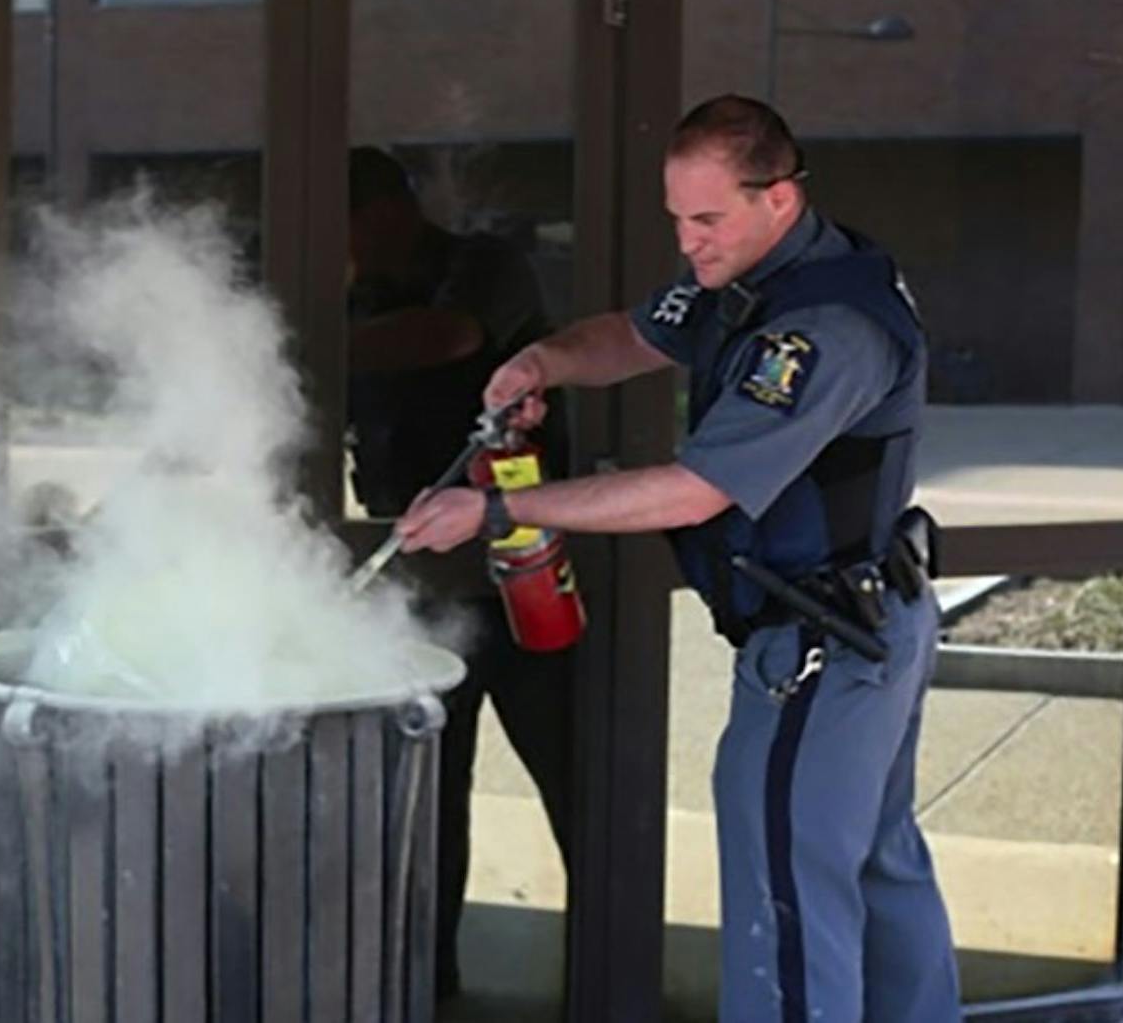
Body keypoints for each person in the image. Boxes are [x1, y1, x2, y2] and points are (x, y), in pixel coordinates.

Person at [396, 97, 962, 1022]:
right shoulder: (761, 273)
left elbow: (694, 489)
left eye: (708, 219)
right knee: (872, 862)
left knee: (785, 897)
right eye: (678, 219)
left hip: (822, 644)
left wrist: (495, 507)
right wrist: (541, 361)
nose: (690, 242)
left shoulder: (821, 331)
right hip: (862, 625)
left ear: (778, 197)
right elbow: (636, 334)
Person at [344, 146, 573, 1001]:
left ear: (386, 212)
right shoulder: (358, 295)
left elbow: (450, 337)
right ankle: (427, 980)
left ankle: (609, 962)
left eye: (349, 226)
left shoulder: (484, 266)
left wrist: (299, 337)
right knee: (429, 799)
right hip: (417, 589)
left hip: (522, 576)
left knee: (575, 780)